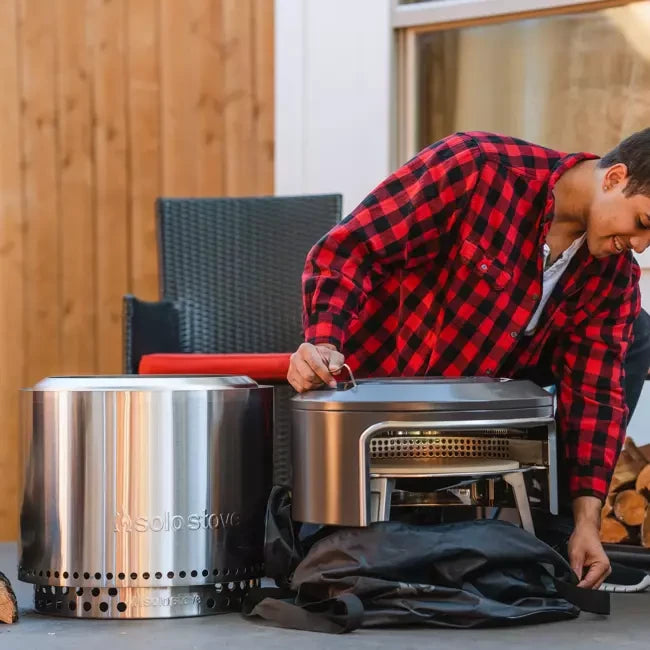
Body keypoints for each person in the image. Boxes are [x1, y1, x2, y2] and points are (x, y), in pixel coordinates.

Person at [287, 130, 650, 591]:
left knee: (636, 331)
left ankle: (557, 535)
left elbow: (594, 394)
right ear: (614, 177)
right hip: (388, 392)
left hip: (485, 396)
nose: (640, 245)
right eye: (642, 221)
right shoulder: (476, 168)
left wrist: (587, 522)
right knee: (349, 570)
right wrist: (322, 342)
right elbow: (351, 249)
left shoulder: (612, 273)